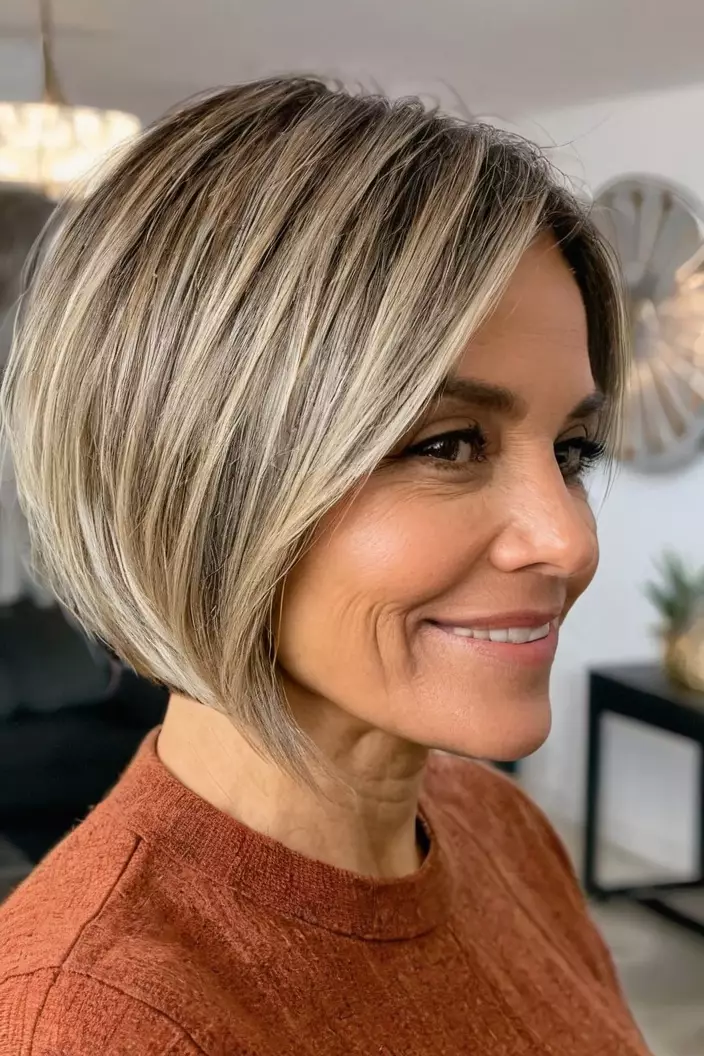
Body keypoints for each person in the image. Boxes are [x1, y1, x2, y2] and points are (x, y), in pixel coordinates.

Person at [0, 78, 650, 1055]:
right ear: (199, 478)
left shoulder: (494, 822)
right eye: (446, 444)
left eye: (569, 452)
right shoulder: (96, 1017)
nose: (566, 539)